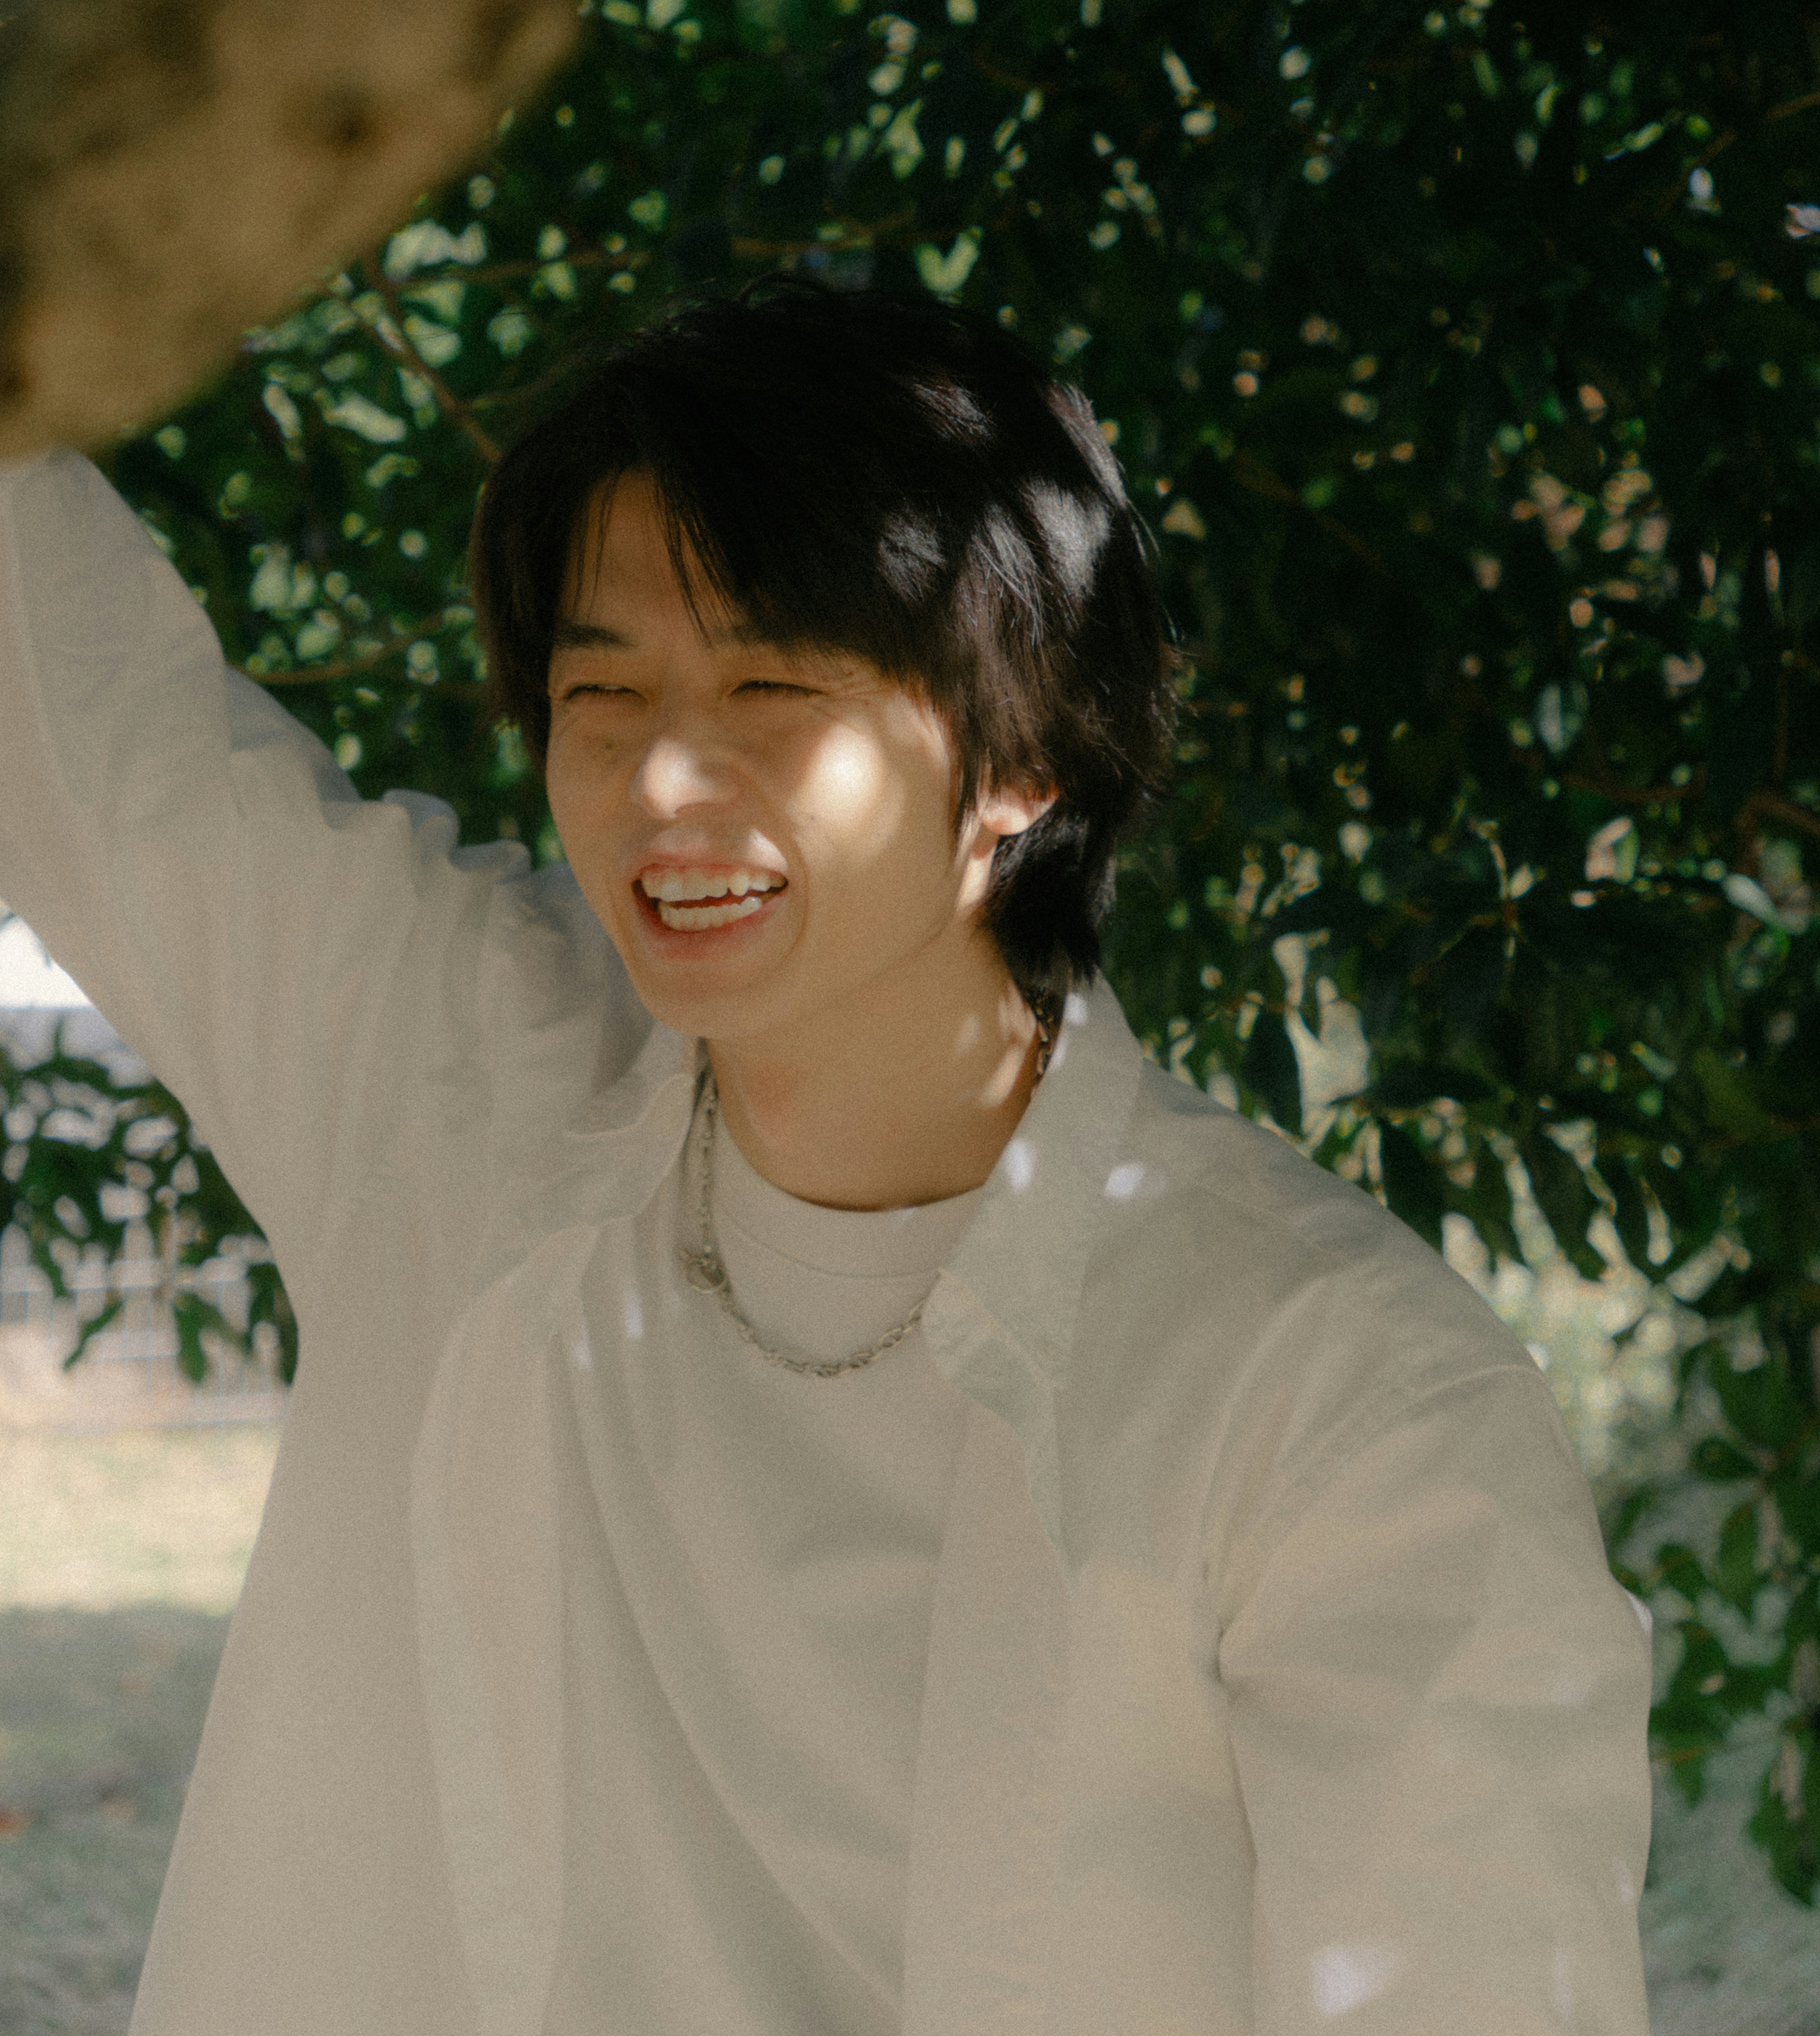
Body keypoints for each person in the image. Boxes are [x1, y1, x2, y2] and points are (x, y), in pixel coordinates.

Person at [0, 279, 1652, 2036]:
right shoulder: (449, 1085)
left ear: (1022, 757)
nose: (661, 784)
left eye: (773, 685)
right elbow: (76, 720)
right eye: (602, 693)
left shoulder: (1335, 1396)